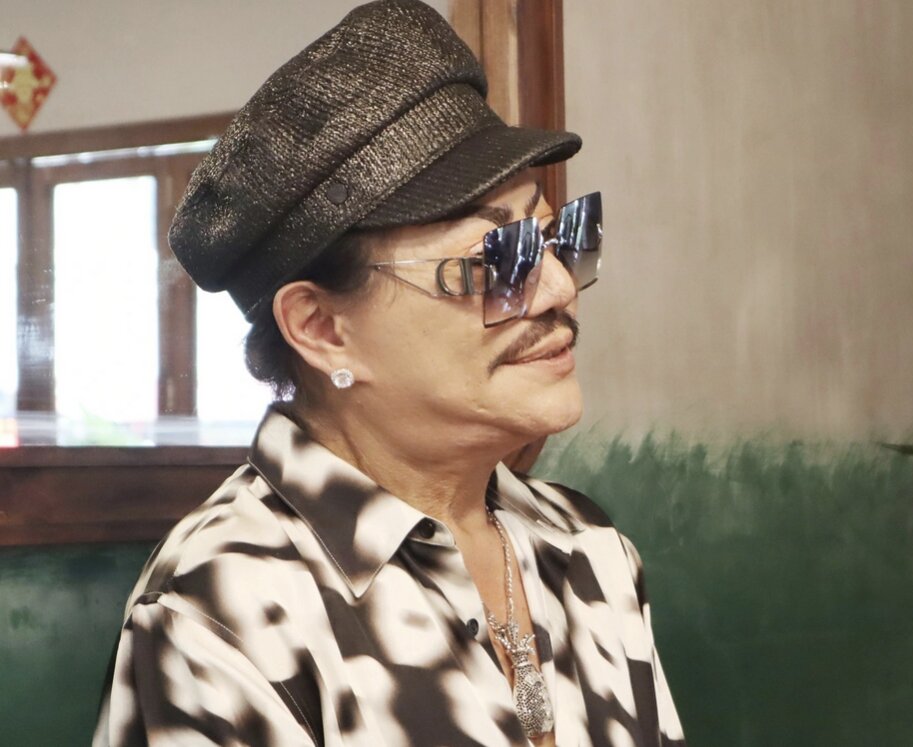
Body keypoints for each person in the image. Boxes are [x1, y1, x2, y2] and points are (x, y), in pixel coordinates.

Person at [93, 1, 685, 745]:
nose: (560, 289)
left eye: (559, 236)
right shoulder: (218, 613)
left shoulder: (586, 546)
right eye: (493, 260)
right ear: (322, 328)